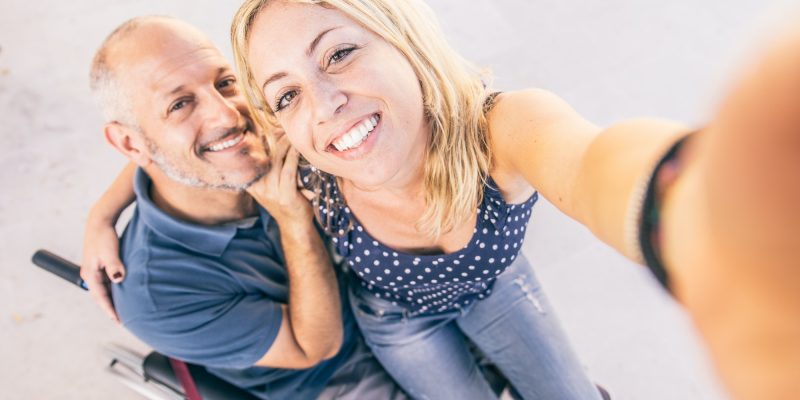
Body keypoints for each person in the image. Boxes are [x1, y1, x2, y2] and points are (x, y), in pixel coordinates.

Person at [85, 2, 800, 399]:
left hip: (491, 286)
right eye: (289, 91)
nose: (324, 105)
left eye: (339, 52)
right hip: (383, 330)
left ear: (401, 37)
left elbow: (587, 160)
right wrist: (288, 216)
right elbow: (193, 156)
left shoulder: (490, 129)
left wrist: (693, 201)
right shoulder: (293, 150)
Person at [84, 15, 406, 399]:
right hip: (333, 377)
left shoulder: (251, 140)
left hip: (384, 295)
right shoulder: (154, 296)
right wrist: (294, 221)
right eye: (181, 104)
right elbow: (316, 347)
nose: (227, 115)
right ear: (130, 144)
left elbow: (169, 144)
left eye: (224, 83)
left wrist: (102, 212)